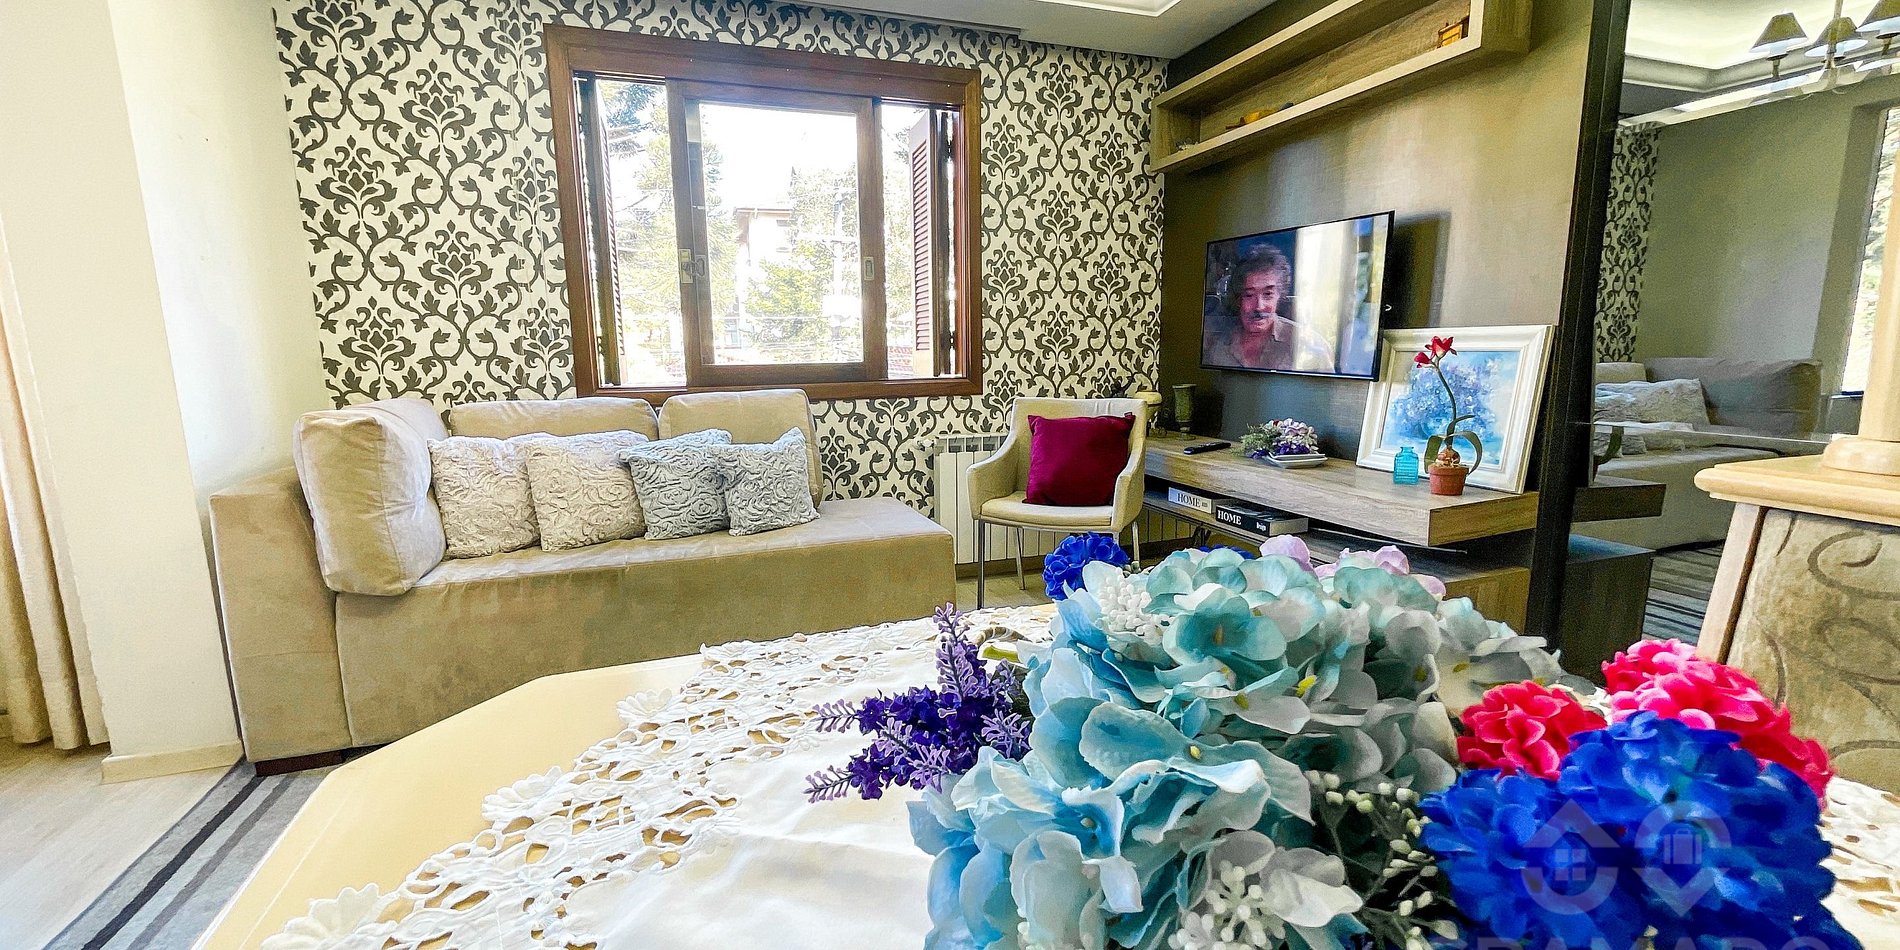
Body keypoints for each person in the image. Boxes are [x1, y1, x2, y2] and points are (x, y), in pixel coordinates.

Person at [1204, 243, 1335, 372]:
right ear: (1238, 299)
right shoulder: (1217, 345)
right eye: (1249, 295)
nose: (1259, 306)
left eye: (1268, 294)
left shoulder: (1309, 346)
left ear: (1280, 295)